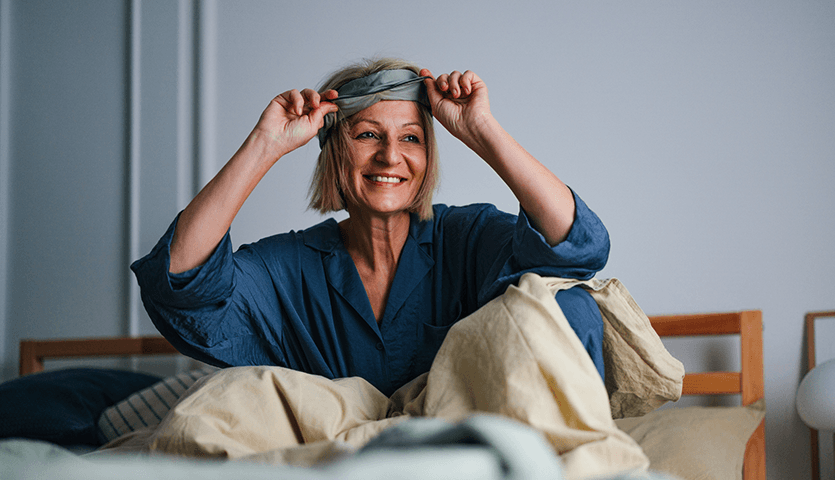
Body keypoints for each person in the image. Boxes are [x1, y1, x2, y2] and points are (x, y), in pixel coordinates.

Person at [131, 58, 609, 397]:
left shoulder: (466, 235)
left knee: (571, 307)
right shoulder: (289, 267)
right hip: (342, 457)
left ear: (427, 157)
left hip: (469, 443)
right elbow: (180, 283)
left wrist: (481, 129)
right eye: (367, 135)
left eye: (410, 138)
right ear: (335, 151)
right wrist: (265, 145)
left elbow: (576, 244)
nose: (390, 156)